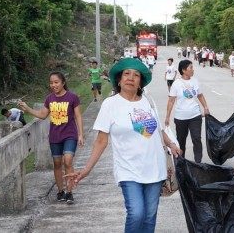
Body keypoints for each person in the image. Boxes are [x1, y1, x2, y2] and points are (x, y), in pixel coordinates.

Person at [64, 58, 182, 233]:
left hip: (155, 168)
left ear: (140, 82)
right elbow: (101, 141)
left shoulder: (148, 101)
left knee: (150, 217)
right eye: (126, 74)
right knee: (136, 213)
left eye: (136, 75)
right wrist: (87, 169)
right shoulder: (110, 104)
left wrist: (171, 144)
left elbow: (158, 130)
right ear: (118, 80)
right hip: (129, 170)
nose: (131, 78)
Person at [18, 71, 84, 204]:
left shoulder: (72, 97)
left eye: (56, 82)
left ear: (63, 82)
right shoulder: (49, 99)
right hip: (55, 136)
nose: (53, 85)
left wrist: (81, 134)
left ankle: (69, 192)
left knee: (68, 161)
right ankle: (60, 191)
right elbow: (43, 115)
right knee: (57, 163)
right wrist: (28, 108)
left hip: (70, 134)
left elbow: (78, 116)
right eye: (51, 83)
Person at [165, 59, 210, 163]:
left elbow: (200, 95)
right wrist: (167, 116)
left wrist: (206, 108)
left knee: (197, 139)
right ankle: (182, 162)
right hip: (181, 117)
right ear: (184, 70)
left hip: (195, 115)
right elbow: (171, 100)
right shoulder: (176, 84)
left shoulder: (195, 81)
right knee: (181, 141)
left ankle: (198, 163)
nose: (193, 70)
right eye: (191, 68)